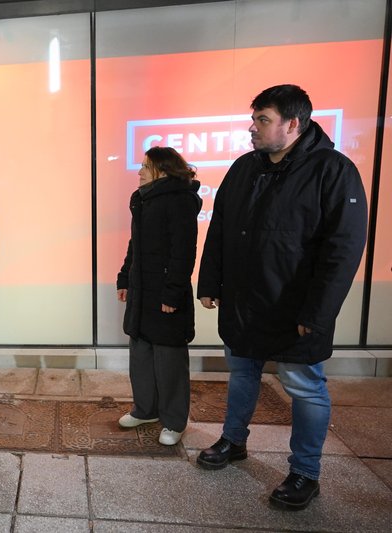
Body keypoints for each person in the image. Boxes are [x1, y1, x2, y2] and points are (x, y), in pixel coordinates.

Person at [196, 85, 367, 511]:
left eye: (263, 119)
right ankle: (233, 441)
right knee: (242, 372)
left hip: (296, 309)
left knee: (304, 387)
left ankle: (305, 473)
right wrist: (210, 282)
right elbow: (219, 229)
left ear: (293, 124)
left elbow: (343, 248)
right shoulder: (243, 168)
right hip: (244, 301)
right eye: (253, 118)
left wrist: (319, 311)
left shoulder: (333, 170)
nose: (252, 127)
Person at [116, 146, 202, 446]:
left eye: (145, 166)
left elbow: (184, 252)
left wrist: (173, 293)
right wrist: (124, 277)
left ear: (162, 171)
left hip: (165, 293)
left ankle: (174, 421)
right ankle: (145, 409)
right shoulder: (144, 200)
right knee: (141, 354)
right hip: (142, 291)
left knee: (169, 361)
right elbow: (134, 246)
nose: (139, 171)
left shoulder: (180, 201)